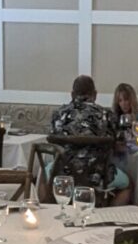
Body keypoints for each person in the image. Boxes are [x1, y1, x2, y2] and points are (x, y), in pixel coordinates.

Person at [51, 75, 131, 206]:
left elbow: (53, 141)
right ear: (95, 94)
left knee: (43, 175)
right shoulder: (106, 115)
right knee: (127, 185)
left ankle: (48, 211)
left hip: (63, 175)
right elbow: (118, 143)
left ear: (72, 94)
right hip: (97, 176)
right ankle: (108, 215)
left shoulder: (58, 114)